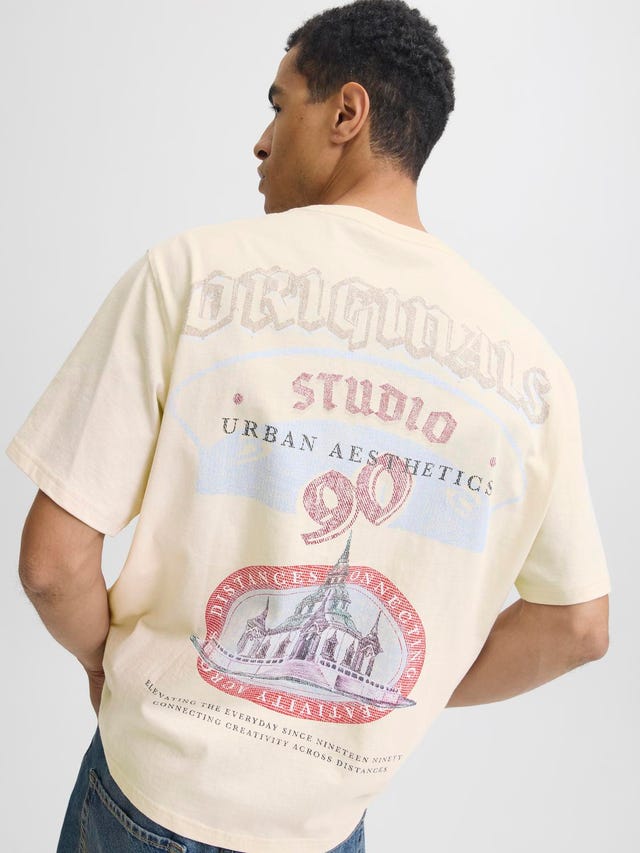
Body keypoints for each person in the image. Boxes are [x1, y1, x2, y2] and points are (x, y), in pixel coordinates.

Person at [7, 1, 611, 851]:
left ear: (346, 113)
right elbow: (579, 625)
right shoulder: (530, 368)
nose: (260, 142)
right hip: (324, 826)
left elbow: (51, 564)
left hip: (150, 795)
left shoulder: (192, 274)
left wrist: (107, 664)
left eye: (279, 104)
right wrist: (381, 698)